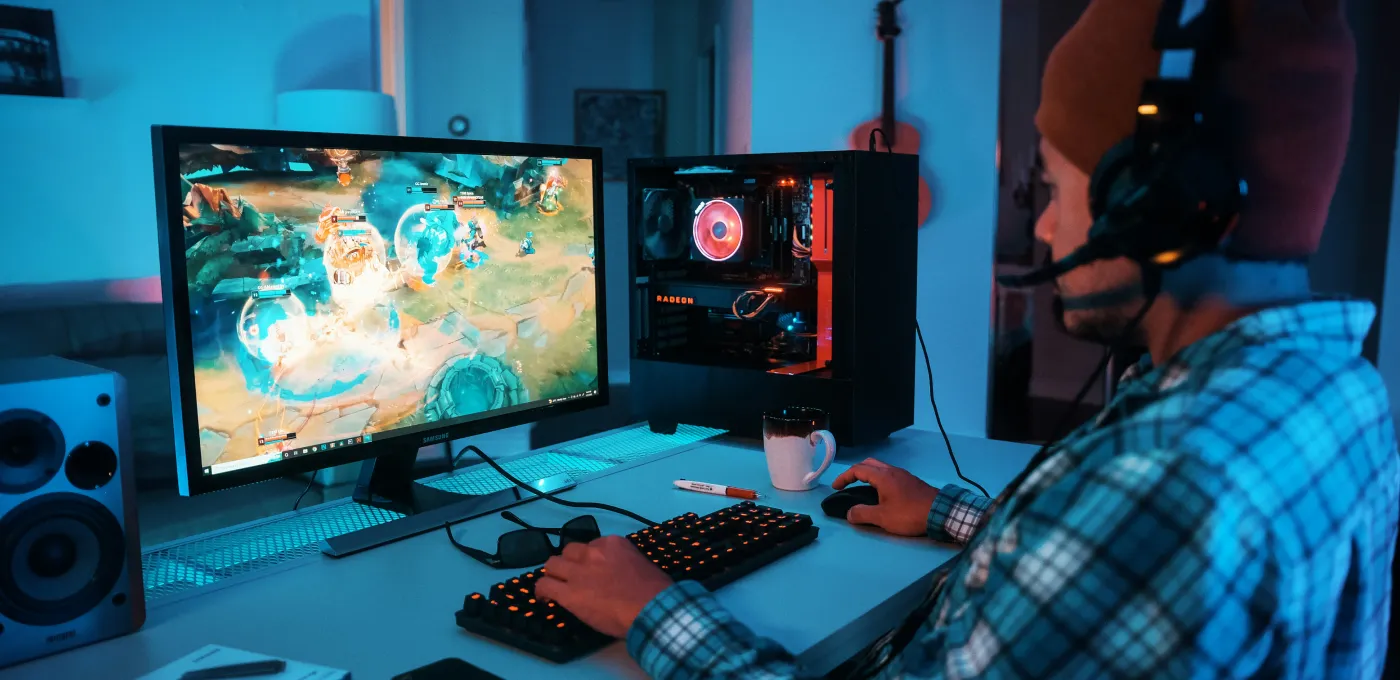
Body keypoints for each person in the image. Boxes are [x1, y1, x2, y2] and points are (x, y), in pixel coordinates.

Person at [533, 0, 1399, 677]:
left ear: (1163, 207)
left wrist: (654, 612)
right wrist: (956, 514)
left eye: (1054, 190)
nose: (1048, 230)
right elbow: (1102, 575)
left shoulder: (1169, 477)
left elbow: (1133, 534)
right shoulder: (1336, 390)